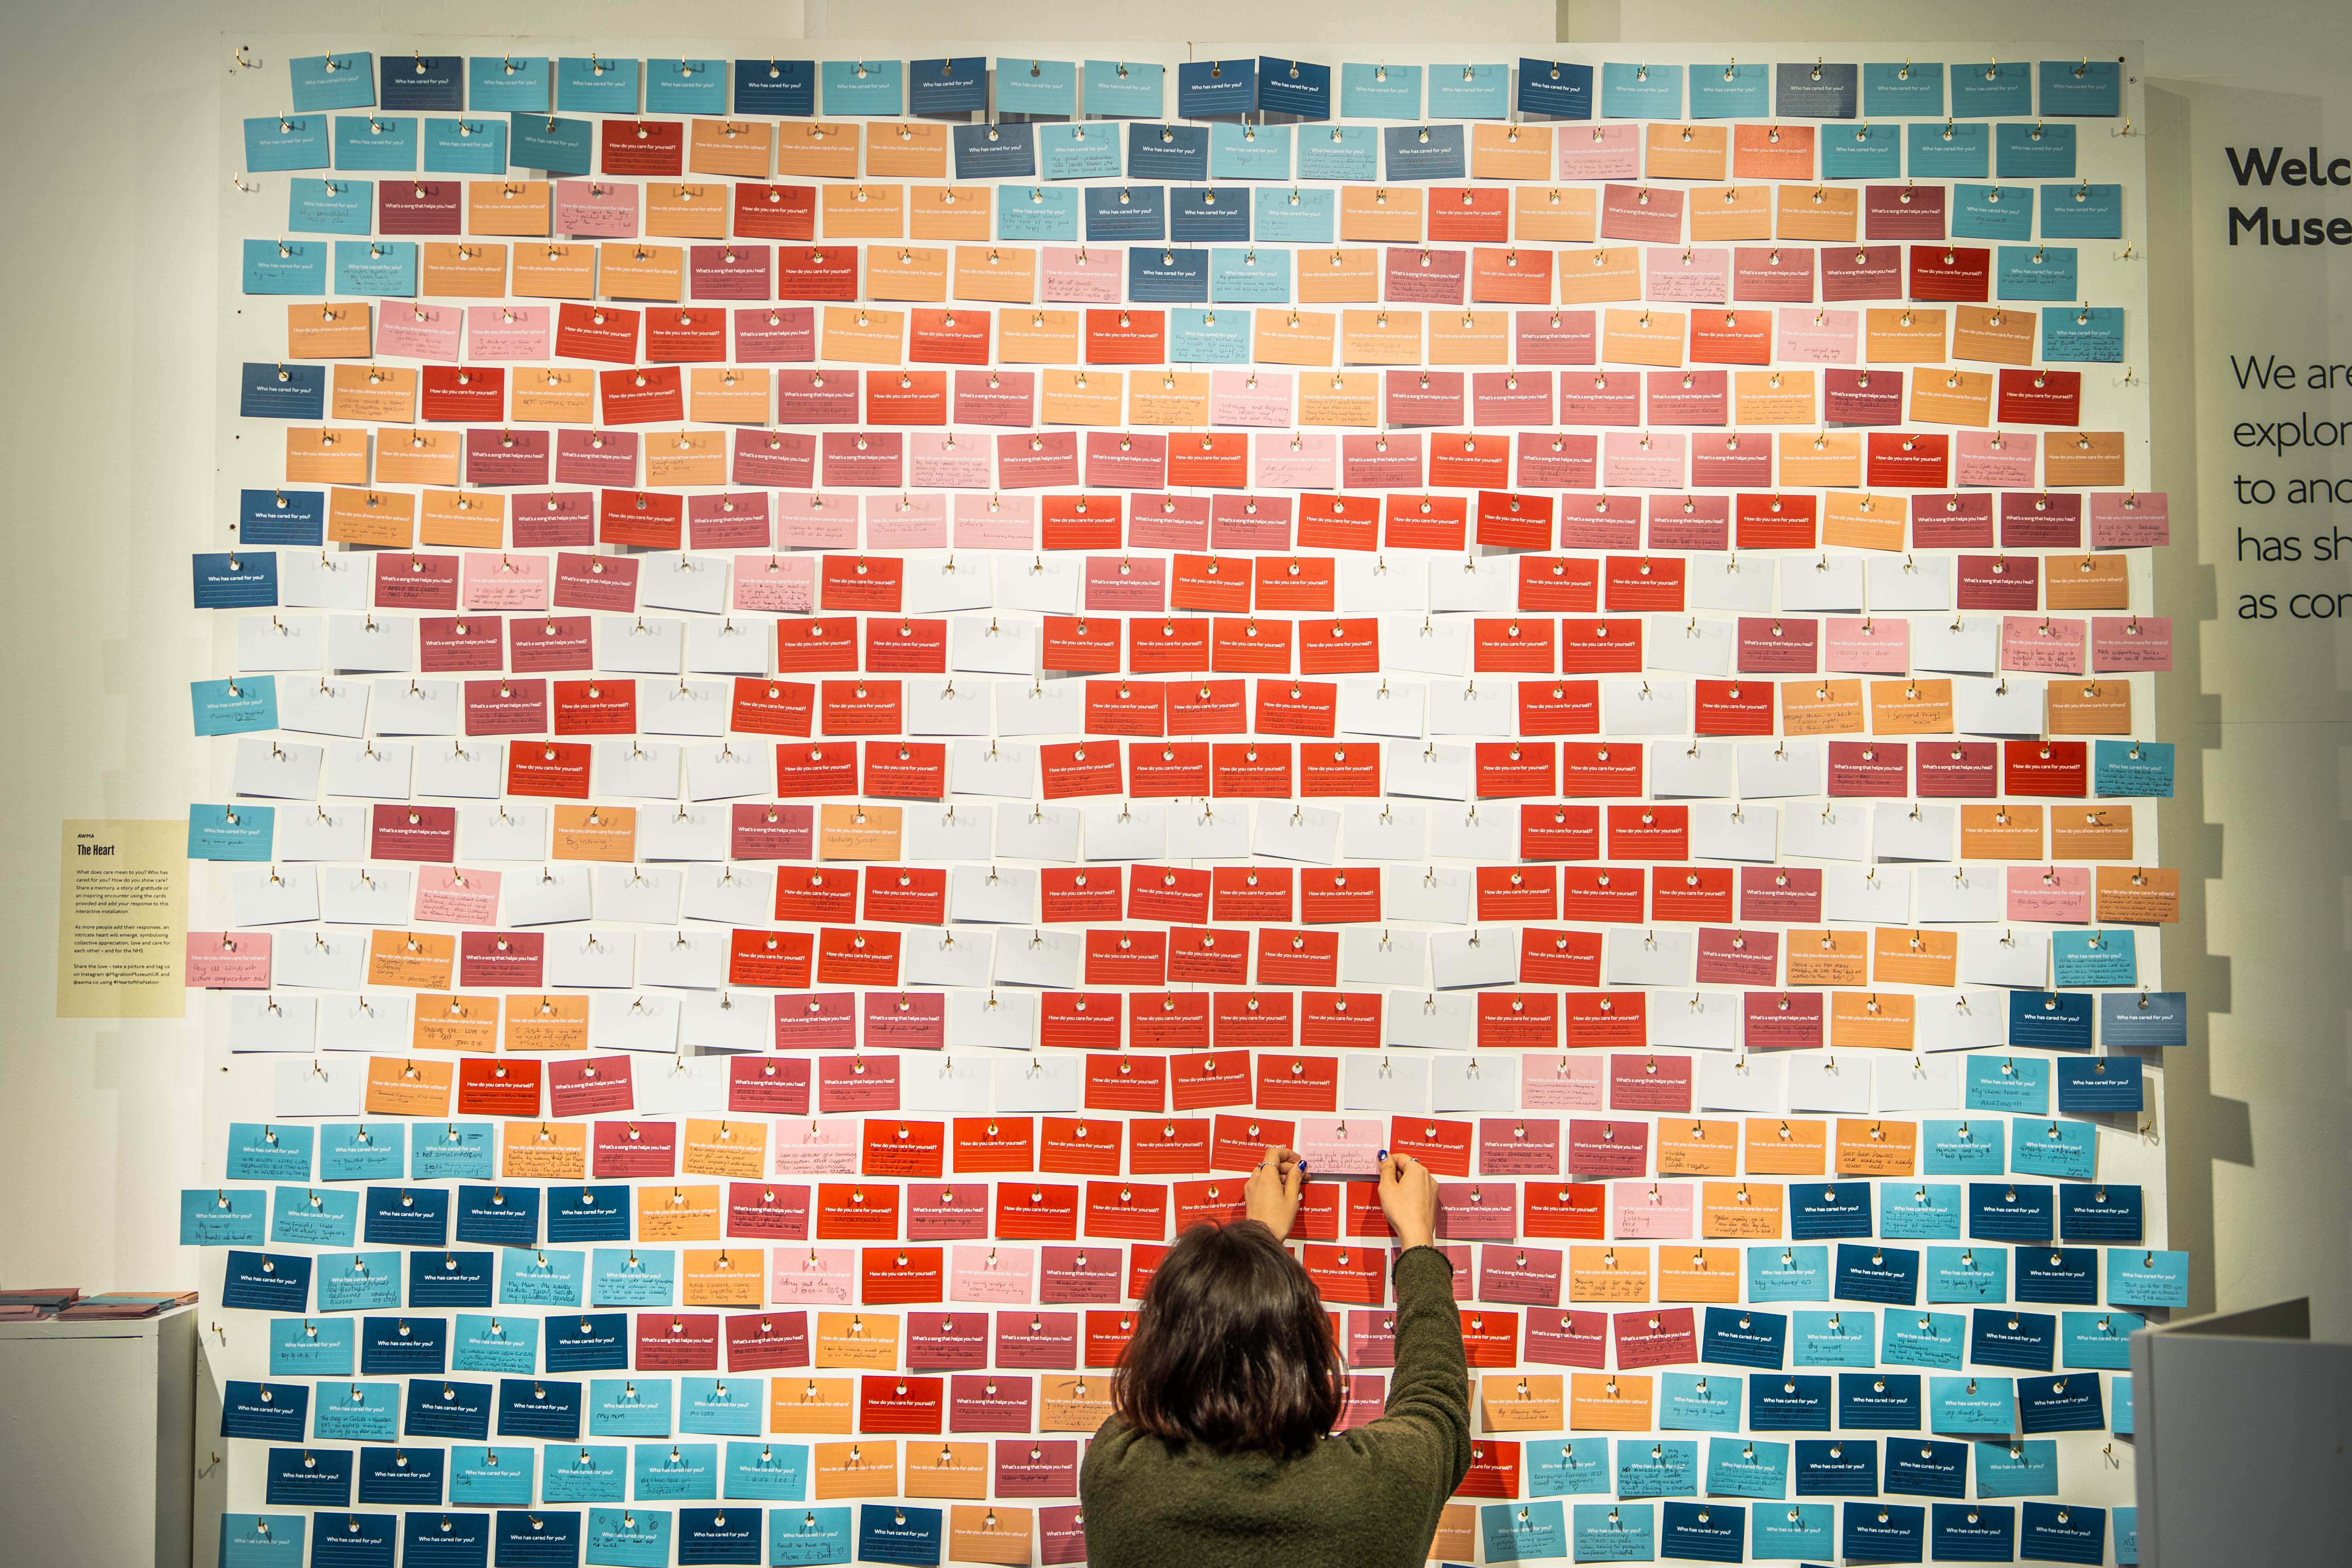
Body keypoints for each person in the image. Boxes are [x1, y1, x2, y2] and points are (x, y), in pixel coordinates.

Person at [1078, 1146, 1470, 1568]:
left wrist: (1252, 1253)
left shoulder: (1118, 1472)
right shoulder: (1374, 1489)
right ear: (1308, 1349)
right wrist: (1417, 1237)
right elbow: (1435, 1404)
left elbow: (1171, 1385)